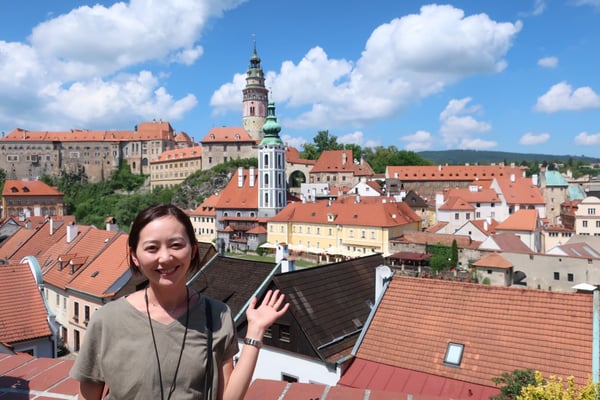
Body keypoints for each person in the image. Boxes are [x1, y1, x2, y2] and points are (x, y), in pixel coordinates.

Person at [70, 203, 289, 399]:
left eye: (176, 245)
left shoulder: (217, 316)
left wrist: (255, 332)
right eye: (152, 248)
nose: (165, 258)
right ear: (135, 256)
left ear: (193, 250)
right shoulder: (107, 320)